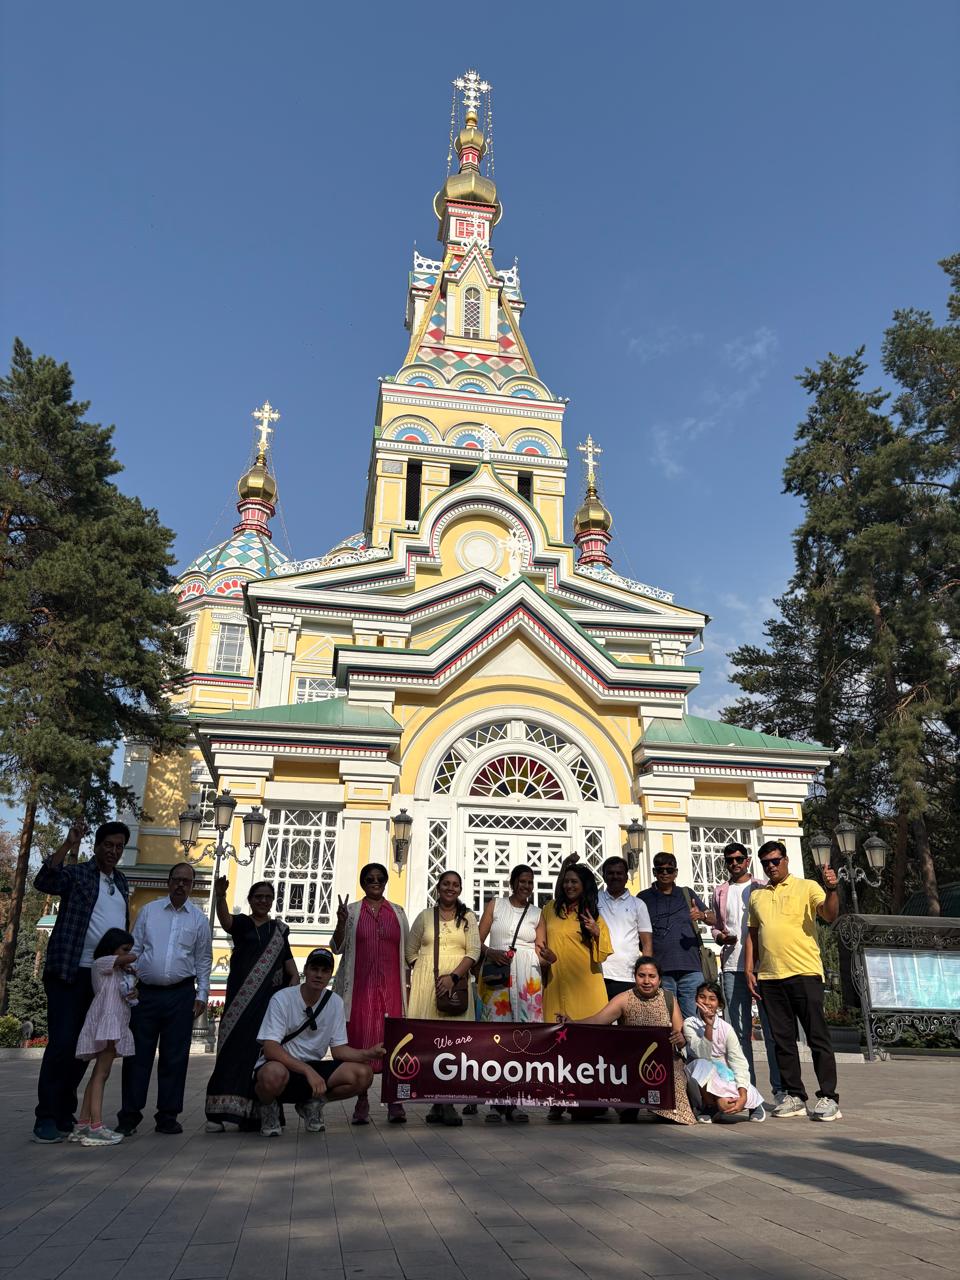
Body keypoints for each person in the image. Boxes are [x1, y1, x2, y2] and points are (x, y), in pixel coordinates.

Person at [32, 822, 131, 1144]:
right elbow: (44, 879)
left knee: (85, 1047)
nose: (113, 851)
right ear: (98, 845)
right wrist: (67, 844)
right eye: (108, 845)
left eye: (119, 846)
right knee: (62, 1043)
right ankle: (45, 1116)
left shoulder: (121, 882)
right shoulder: (78, 874)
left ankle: (64, 1113)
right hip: (70, 969)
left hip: (101, 977)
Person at [745, 840, 842, 1122]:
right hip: (771, 977)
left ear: (786, 860)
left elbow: (829, 914)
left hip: (805, 973)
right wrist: (750, 969)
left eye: (775, 861)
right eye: (766, 863)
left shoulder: (808, 886)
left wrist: (832, 889)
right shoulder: (757, 897)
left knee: (817, 1037)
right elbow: (753, 934)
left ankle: (828, 1097)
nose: (771, 866)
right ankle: (795, 1096)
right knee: (781, 1041)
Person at [117, 863, 212, 1136]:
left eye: (187, 881)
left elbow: (203, 959)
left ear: (192, 885)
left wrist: (202, 994)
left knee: (175, 1057)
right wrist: (128, 984)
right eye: (177, 879)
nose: (181, 884)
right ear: (169, 882)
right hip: (146, 994)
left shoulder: (198, 919)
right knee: (138, 1056)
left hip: (180, 995)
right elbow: (134, 948)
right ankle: (129, 1116)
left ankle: (168, 1116)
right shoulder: (150, 911)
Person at [254, 947, 382, 1137]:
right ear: (305, 970)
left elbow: (338, 1050)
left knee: (363, 1074)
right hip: (282, 1065)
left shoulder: (335, 1002)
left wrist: (368, 1054)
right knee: (272, 1074)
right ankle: (268, 1106)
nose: (318, 975)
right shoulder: (282, 998)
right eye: (314, 969)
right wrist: (307, 1071)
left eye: (324, 971)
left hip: (314, 1069)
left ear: (330, 974)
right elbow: (270, 1048)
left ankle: (313, 1104)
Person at [204, 877, 298, 1132]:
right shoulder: (244, 923)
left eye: (268, 897)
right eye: (259, 897)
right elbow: (225, 922)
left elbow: (293, 972)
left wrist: (284, 1001)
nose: (263, 901)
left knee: (257, 1058)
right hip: (239, 1003)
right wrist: (221, 896)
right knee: (230, 1052)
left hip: (267, 1009)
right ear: (250, 900)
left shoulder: (279, 931)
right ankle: (216, 1115)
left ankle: (254, 1115)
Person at [574, 956, 696, 1126]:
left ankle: (661, 1109)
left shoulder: (669, 999)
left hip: (664, 1062)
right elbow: (597, 1020)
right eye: (641, 975)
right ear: (634, 977)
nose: (646, 981)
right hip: (630, 1063)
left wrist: (681, 1039)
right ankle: (628, 1107)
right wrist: (572, 1023)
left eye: (652, 976)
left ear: (659, 979)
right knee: (628, 1114)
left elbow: (681, 1037)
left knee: (674, 1086)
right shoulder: (624, 998)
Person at [332, 861, 410, 1125]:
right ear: (362, 883)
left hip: (392, 990)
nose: (374, 882)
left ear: (386, 881)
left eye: (379, 878)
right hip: (360, 992)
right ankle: (361, 1099)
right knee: (362, 1045)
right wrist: (341, 923)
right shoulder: (352, 912)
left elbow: (407, 952)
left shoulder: (398, 912)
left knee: (395, 1045)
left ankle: (394, 1102)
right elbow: (337, 947)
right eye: (369, 879)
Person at [406, 870, 481, 1127]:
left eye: (455, 885)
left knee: (453, 1044)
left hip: (456, 985)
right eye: (446, 884)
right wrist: (425, 973)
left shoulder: (468, 917)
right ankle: (437, 1102)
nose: (450, 888)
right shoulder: (425, 916)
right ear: (438, 887)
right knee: (431, 1045)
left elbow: (474, 951)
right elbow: (409, 950)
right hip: (428, 987)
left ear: (460, 889)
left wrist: (453, 977)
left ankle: (448, 1101)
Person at [709, 843, 783, 1101]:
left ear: (748, 860)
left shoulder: (763, 887)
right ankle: (747, 1090)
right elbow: (716, 927)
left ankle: (779, 1089)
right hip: (732, 967)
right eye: (730, 860)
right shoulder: (720, 891)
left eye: (739, 858)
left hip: (764, 967)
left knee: (772, 1030)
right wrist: (720, 937)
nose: (735, 863)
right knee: (739, 1034)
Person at [477, 864, 546, 1124]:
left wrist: (549, 958)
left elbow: (541, 949)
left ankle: (517, 1100)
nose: (526, 886)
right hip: (499, 975)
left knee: (522, 1040)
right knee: (496, 1039)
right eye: (522, 881)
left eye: (530, 882)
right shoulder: (496, 905)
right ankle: (495, 1102)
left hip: (528, 978)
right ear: (512, 883)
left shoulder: (537, 913)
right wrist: (490, 953)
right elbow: (477, 939)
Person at [70, 928, 139, 1146]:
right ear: (113, 948)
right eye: (124, 948)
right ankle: (96, 1126)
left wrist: (133, 991)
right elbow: (131, 958)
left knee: (99, 1073)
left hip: (115, 1023)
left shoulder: (119, 971)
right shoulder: (102, 963)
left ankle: (83, 1123)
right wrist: (131, 958)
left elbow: (125, 990)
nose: (128, 953)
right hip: (106, 1023)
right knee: (102, 1073)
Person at [638, 852, 715, 1017]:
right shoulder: (643, 898)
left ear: (676, 872)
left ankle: (692, 1045)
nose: (665, 873)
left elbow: (713, 919)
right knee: (665, 1019)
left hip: (691, 968)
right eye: (661, 870)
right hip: (660, 970)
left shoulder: (687, 894)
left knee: (692, 1021)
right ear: (654, 872)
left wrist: (702, 915)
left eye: (669, 870)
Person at [683, 981, 766, 1123]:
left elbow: (737, 1061)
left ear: (719, 1004)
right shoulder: (689, 1023)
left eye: (712, 998)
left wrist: (743, 1095)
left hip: (723, 1069)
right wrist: (708, 1026)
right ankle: (710, 1105)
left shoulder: (726, 1028)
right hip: (700, 1067)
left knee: (734, 1089)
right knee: (702, 1065)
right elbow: (702, 1053)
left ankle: (754, 1104)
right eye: (702, 997)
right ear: (696, 999)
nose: (707, 1002)